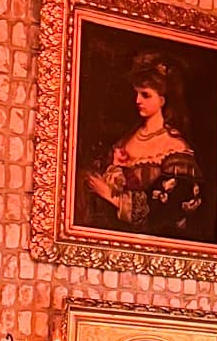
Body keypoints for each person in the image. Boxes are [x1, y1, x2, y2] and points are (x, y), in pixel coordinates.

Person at [80, 49, 206, 240]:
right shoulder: (127, 140)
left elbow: (167, 214)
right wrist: (114, 167)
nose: (137, 101)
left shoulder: (176, 148)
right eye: (136, 94)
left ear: (162, 100)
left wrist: (110, 196)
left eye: (145, 95)